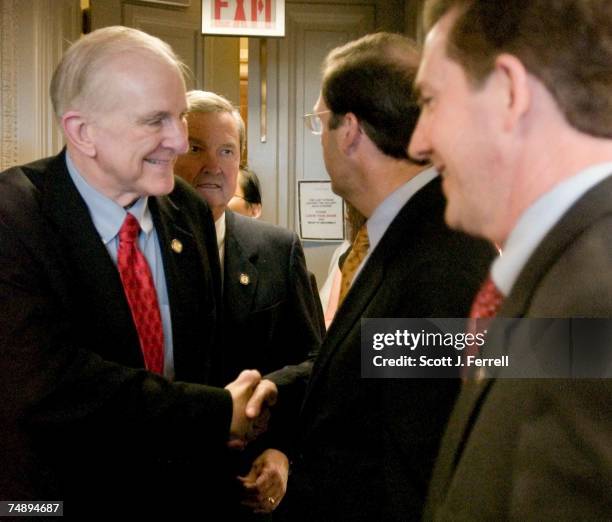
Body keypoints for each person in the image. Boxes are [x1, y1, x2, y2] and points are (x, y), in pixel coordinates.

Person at [0, 26, 276, 516]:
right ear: (82, 131)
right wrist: (215, 414)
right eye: (156, 121)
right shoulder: (14, 215)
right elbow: (50, 386)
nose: (177, 140)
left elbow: (202, 362)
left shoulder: (185, 209)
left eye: (180, 117)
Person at [268, 32, 495, 521]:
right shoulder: (404, 231)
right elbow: (380, 355)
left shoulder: (441, 255)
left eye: (319, 122)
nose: (321, 138)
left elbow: (415, 469)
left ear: (350, 131)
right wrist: (275, 390)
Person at [409, 1, 612, 519]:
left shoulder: (595, 303)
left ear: (508, 92)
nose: (418, 142)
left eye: (430, 101)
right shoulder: (566, 274)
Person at [174, 90, 324, 515]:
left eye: (226, 151)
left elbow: (315, 361)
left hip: (248, 487)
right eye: (195, 148)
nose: (212, 165)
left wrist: (283, 450)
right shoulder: (133, 245)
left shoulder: (277, 249)